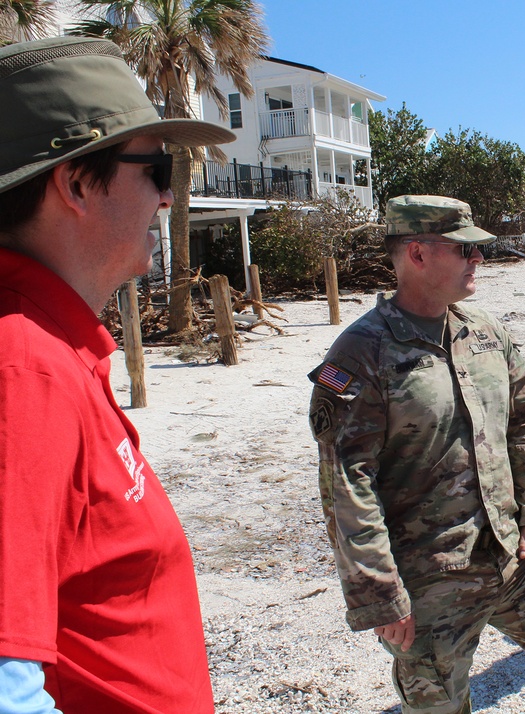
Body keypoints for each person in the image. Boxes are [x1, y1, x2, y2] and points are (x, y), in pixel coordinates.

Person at [307, 195, 525, 713]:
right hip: (428, 576)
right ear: (417, 254)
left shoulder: (487, 334)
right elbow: (345, 481)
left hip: (513, 552)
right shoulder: (359, 354)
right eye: (465, 250)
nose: (479, 260)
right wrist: (378, 591)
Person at [0, 37, 236, 712]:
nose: (167, 198)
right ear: (75, 183)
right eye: (156, 170)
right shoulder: (23, 367)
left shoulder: (53, 345)